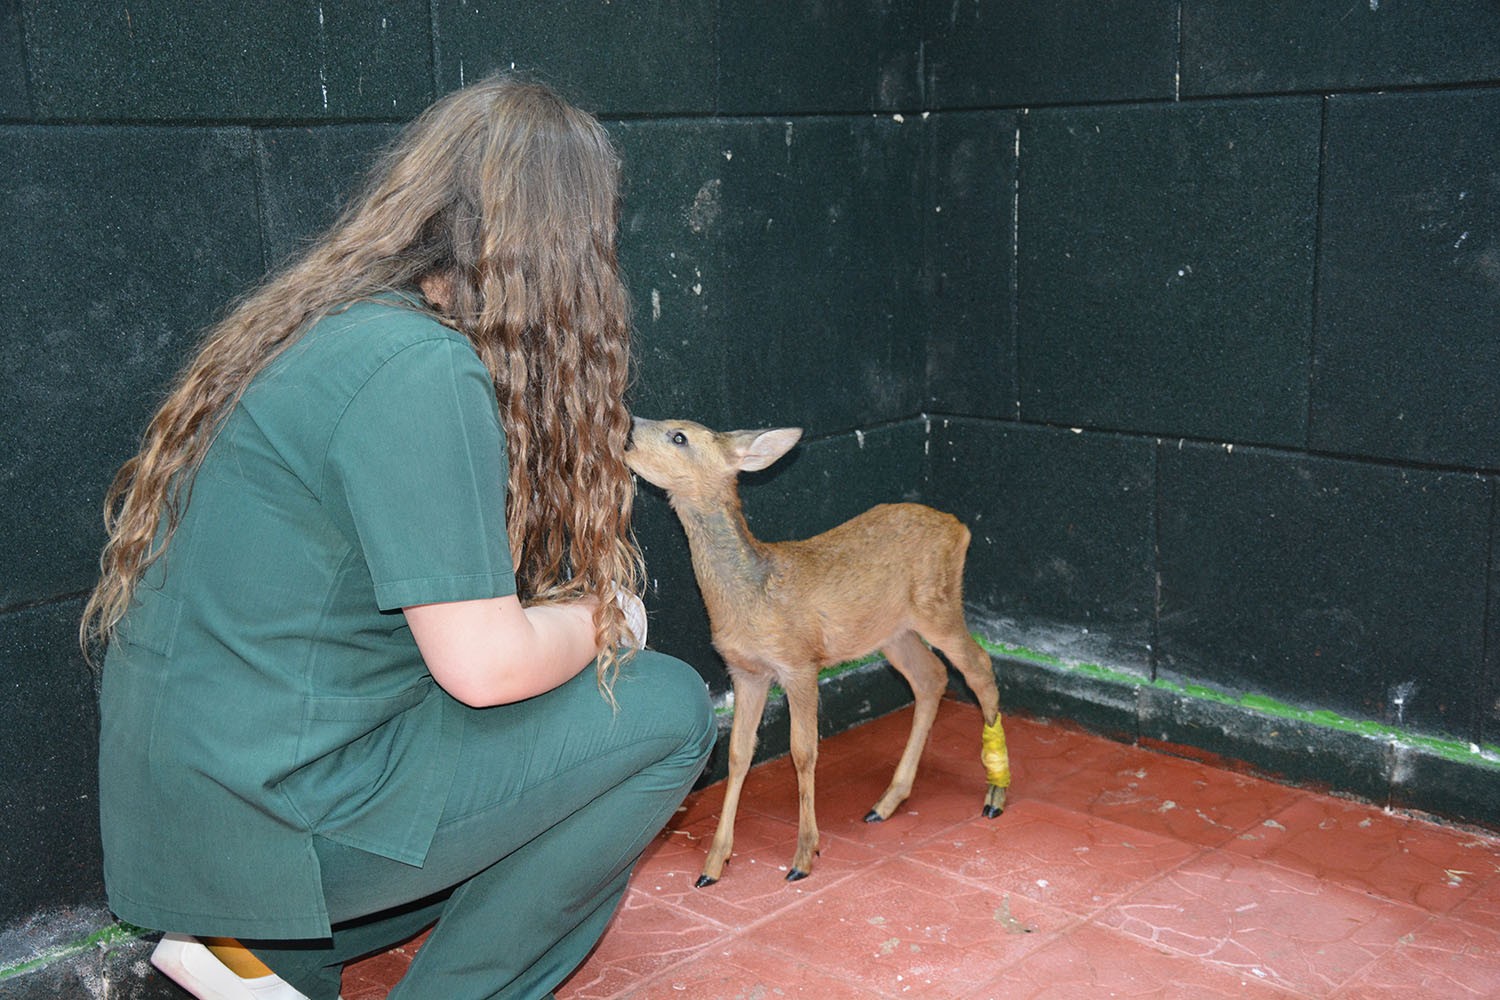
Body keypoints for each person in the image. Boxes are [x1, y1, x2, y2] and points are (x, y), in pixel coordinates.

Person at [81, 75, 716, 1000]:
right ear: (559, 246)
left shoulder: (333, 325)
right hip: (273, 812)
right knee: (661, 710)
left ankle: (262, 960)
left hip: (195, 812)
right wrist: (604, 618)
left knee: (515, 746)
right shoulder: (422, 371)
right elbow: (486, 669)